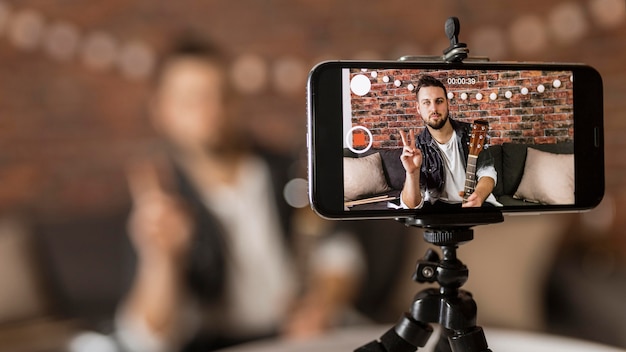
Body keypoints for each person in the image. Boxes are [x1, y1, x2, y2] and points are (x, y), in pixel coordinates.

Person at [114, 34, 364, 352]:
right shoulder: (162, 203)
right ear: (162, 111)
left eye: (222, 95)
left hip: (300, 336)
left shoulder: (292, 170)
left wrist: (321, 306)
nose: (211, 110)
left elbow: (340, 254)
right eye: (192, 99)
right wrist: (162, 259)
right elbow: (146, 340)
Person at [399, 75, 500, 209]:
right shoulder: (417, 147)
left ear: (447, 103)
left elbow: (487, 173)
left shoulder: (472, 132)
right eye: (426, 102)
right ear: (418, 108)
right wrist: (412, 173)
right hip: (439, 208)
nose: (434, 109)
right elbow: (411, 206)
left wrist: (479, 196)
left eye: (439, 101)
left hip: (477, 203)